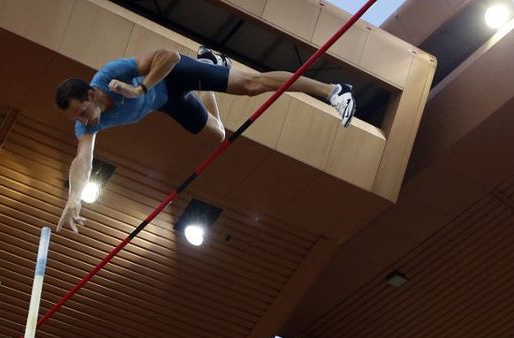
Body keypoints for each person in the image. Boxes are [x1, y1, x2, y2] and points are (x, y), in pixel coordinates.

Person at [54, 47, 356, 233]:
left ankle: (333, 90)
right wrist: (74, 198)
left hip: (170, 77)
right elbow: (83, 159)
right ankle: (212, 60)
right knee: (218, 134)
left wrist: (141, 89)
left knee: (252, 85)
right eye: (77, 119)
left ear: (92, 94)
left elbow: (168, 57)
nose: (85, 121)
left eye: (83, 112)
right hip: (165, 103)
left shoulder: (110, 75)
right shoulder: (89, 124)